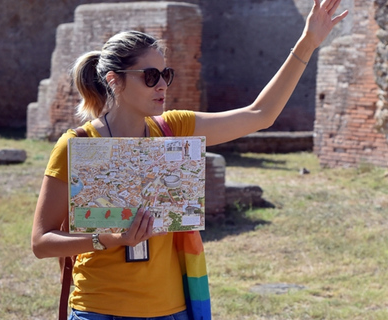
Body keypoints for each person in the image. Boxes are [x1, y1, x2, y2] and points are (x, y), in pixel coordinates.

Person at [31, 0, 348, 319]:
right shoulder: (77, 145)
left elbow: (260, 115)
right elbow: (42, 242)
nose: (163, 85)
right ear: (115, 80)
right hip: (98, 310)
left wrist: (308, 43)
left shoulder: (174, 128)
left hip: (172, 311)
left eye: (165, 74)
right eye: (151, 76)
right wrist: (112, 238)